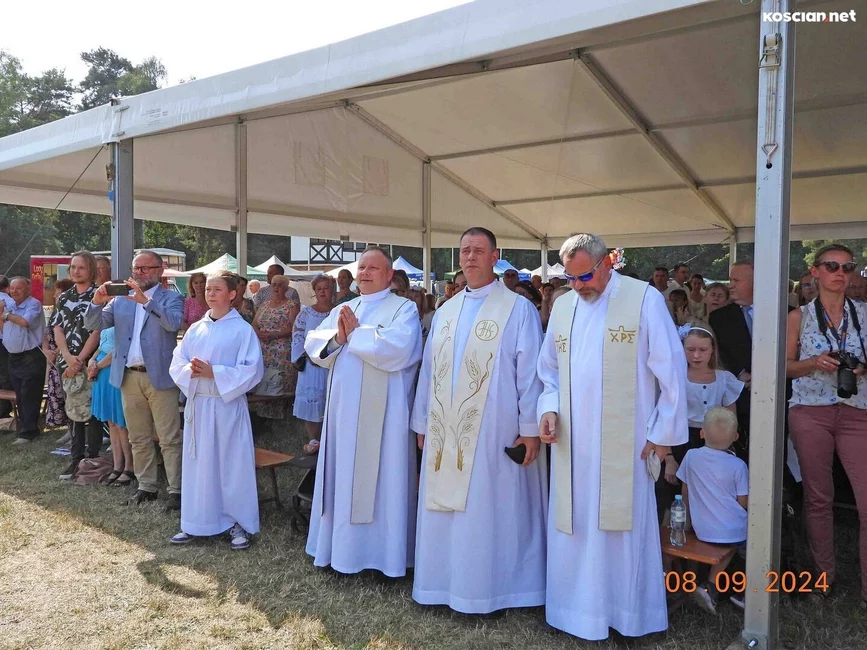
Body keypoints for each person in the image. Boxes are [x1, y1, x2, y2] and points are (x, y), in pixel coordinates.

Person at [538, 233, 687, 640]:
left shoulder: (643, 299)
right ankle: (573, 612)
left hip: (628, 441)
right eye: (570, 278)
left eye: (585, 276)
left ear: (607, 263)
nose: (577, 286)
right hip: (571, 443)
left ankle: (626, 614)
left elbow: (671, 370)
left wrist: (663, 434)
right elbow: (548, 370)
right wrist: (547, 409)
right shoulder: (563, 306)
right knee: (574, 524)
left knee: (620, 528)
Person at [412, 227, 547, 614]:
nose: (470, 257)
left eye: (478, 250)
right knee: (448, 509)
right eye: (465, 251)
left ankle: (496, 589)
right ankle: (442, 583)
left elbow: (530, 374)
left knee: (490, 508)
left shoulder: (517, 309)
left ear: (494, 256)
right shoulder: (446, 311)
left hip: (495, 429)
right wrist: (422, 423)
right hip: (444, 431)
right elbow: (429, 371)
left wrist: (529, 429)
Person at [303, 246, 422, 577]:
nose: (365, 273)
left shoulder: (404, 308)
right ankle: (341, 551)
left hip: (385, 417)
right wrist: (338, 338)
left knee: (384, 477)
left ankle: (383, 556)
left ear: (388, 274)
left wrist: (353, 335)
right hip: (344, 411)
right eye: (362, 268)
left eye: (373, 268)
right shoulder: (345, 308)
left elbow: (400, 349)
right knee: (343, 473)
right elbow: (314, 345)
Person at [786, 243, 867, 606]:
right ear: (816, 271)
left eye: (848, 267)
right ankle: (823, 579)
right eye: (832, 266)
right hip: (810, 410)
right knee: (818, 498)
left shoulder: (864, 314)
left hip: (857, 411)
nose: (841, 273)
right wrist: (815, 363)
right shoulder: (799, 317)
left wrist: (862, 368)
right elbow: (784, 366)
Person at [169, 271, 264, 550]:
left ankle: (236, 523)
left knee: (230, 465)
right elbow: (177, 362)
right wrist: (191, 371)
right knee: (199, 465)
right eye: (208, 289)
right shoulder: (196, 329)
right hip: (199, 404)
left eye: (217, 289)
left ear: (232, 294)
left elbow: (252, 369)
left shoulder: (242, 330)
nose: (210, 293)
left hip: (226, 406)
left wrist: (215, 373)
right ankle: (195, 521)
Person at [84, 250, 185, 508]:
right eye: (135, 268)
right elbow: (93, 324)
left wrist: (146, 302)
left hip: (160, 377)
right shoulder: (120, 300)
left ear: (159, 270)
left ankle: (177, 490)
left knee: (169, 438)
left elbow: (174, 324)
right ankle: (146, 486)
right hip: (129, 376)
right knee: (138, 437)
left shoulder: (172, 298)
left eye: (144, 268)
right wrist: (96, 301)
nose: (138, 273)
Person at [657, 324, 743, 519]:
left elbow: (731, 417)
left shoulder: (724, 379)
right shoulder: (676, 378)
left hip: (714, 442)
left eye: (703, 350)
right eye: (690, 349)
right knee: (677, 492)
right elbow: (666, 417)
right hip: (680, 440)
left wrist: (727, 446)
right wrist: (669, 458)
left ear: (712, 349)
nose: (696, 356)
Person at [677, 407, 749, 614]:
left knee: (729, 543)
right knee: (754, 545)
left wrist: (688, 520)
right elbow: (743, 502)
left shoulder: (691, 456)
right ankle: (742, 593)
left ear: (701, 433)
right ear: (735, 437)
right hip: (734, 531)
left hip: (701, 528)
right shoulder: (738, 465)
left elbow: (685, 490)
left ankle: (710, 586)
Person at [52, 252, 103, 480]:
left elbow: (97, 330)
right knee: (73, 412)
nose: (76, 271)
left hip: (91, 362)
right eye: (73, 267)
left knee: (92, 413)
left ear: (91, 270)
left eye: (81, 267)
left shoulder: (98, 295)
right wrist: (67, 356)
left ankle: (91, 458)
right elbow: (57, 327)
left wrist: (80, 359)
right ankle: (75, 458)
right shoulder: (64, 297)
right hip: (67, 363)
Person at [709, 261, 754, 458]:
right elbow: (720, 353)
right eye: (730, 280)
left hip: (779, 394)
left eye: (736, 280)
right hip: (740, 395)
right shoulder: (719, 318)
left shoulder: (785, 312)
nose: (731, 285)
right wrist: (740, 374)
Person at [291, 275, 333, 456]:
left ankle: (330, 440)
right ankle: (313, 440)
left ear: (332, 290)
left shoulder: (338, 311)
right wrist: (305, 356)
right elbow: (297, 335)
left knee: (331, 401)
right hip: (310, 365)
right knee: (311, 402)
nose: (323, 291)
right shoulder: (306, 313)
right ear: (315, 291)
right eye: (319, 288)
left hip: (333, 365)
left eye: (326, 288)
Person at [1, 278, 46, 444]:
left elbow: (26, 322)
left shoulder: (33, 304)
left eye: (19, 288)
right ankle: (25, 428)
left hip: (31, 356)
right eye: (12, 288)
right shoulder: (10, 305)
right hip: (14, 357)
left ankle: (29, 432)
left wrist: (7, 315)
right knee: (20, 394)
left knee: (29, 394)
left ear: (28, 289)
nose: (14, 291)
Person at [87, 327, 134, 486]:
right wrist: (92, 360)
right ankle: (117, 465)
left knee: (120, 423)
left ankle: (129, 467)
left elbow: (119, 348)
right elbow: (103, 344)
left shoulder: (125, 317)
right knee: (111, 423)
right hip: (101, 371)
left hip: (113, 369)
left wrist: (97, 366)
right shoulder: (107, 317)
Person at [250, 275, 299, 419]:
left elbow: (293, 327)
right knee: (264, 383)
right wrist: (259, 333)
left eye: (280, 285)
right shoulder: (264, 305)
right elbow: (254, 324)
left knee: (279, 384)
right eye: (274, 284)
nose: (276, 287)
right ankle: (263, 419)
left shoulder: (292, 305)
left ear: (286, 288)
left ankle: (282, 421)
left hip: (281, 351)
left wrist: (275, 334)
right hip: (263, 350)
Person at [43, 278, 73, 437]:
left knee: (69, 395)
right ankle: (67, 428)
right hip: (54, 361)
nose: (55, 296)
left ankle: (72, 430)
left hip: (66, 359)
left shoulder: (71, 313)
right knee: (59, 394)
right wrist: (46, 349)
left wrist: (59, 352)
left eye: (58, 293)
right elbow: (46, 334)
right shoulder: (55, 312)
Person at [0, 276, 15, 426]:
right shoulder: (9, 301)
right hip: (5, 340)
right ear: (8, 287)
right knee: (5, 374)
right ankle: (4, 410)